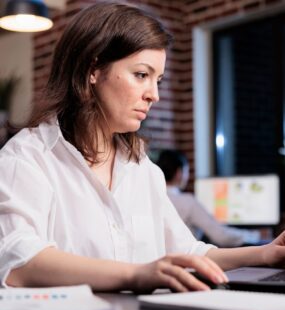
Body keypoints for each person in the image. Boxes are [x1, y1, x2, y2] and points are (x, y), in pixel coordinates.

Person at [0, 2, 285, 293]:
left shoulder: (142, 169)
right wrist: (136, 275)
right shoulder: (26, 158)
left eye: (158, 80)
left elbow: (188, 253)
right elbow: (18, 260)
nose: (154, 95)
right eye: (141, 75)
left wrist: (264, 253)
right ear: (92, 69)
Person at [156, 149, 262, 247]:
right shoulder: (187, 202)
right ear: (179, 173)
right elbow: (221, 236)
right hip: (185, 263)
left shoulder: (151, 200)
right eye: (187, 171)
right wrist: (255, 235)